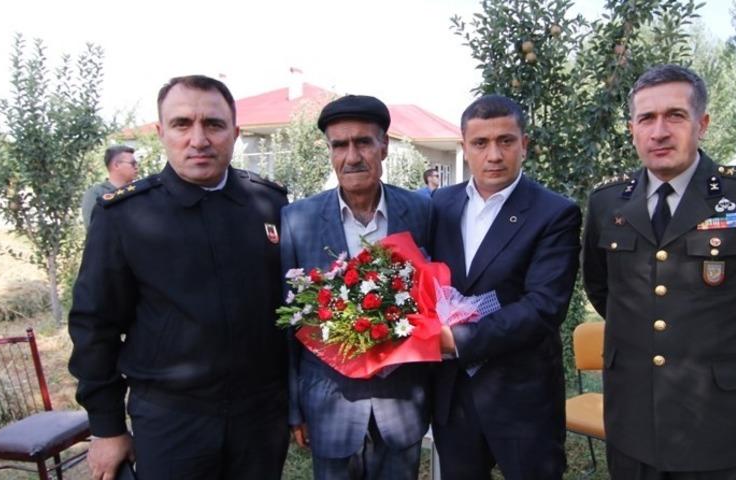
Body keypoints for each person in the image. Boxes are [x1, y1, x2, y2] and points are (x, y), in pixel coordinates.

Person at [582, 64, 736, 479]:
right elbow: (603, 290)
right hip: (632, 414)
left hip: (715, 418)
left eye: (675, 116)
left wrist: (717, 346)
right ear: (632, 128)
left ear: (701, 124)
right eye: (646, 118)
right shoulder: (607, 202)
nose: (659, 131)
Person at [68, 75, 291, 480]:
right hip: (173, 420)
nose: (199, 139)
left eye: (214, 124)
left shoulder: (269, 204)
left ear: (235, 133)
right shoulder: (125, 215)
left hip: (260, 418)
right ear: (161, 133)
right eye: (182, 124)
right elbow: (94, 325)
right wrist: (106, 426)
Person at [280, 94, 431, 480]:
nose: (352, 156)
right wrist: (295, 407)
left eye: (363, 142)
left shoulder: (420, 211)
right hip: (329, 405)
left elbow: (435, 303)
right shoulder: (297, 220)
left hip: (402, 403)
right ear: (329, 151)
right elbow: (289, 322)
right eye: (340, 145)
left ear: (384, 147)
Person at [430, 94, 581, 479]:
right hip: (455, 397)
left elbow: (543, 306)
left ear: (524, 145)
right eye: (480, 143)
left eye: (506, 141)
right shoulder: (438, 206)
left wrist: (456, 340)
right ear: (464, 147)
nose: (493, 155)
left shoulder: (555, 212)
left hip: (522, 397)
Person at [80, 145, 139, 229]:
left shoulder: (139, 191)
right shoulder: (96, 193)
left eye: (136, 163)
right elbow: (93, 229)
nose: (136, 167)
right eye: (132, 163)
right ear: (116, 165)